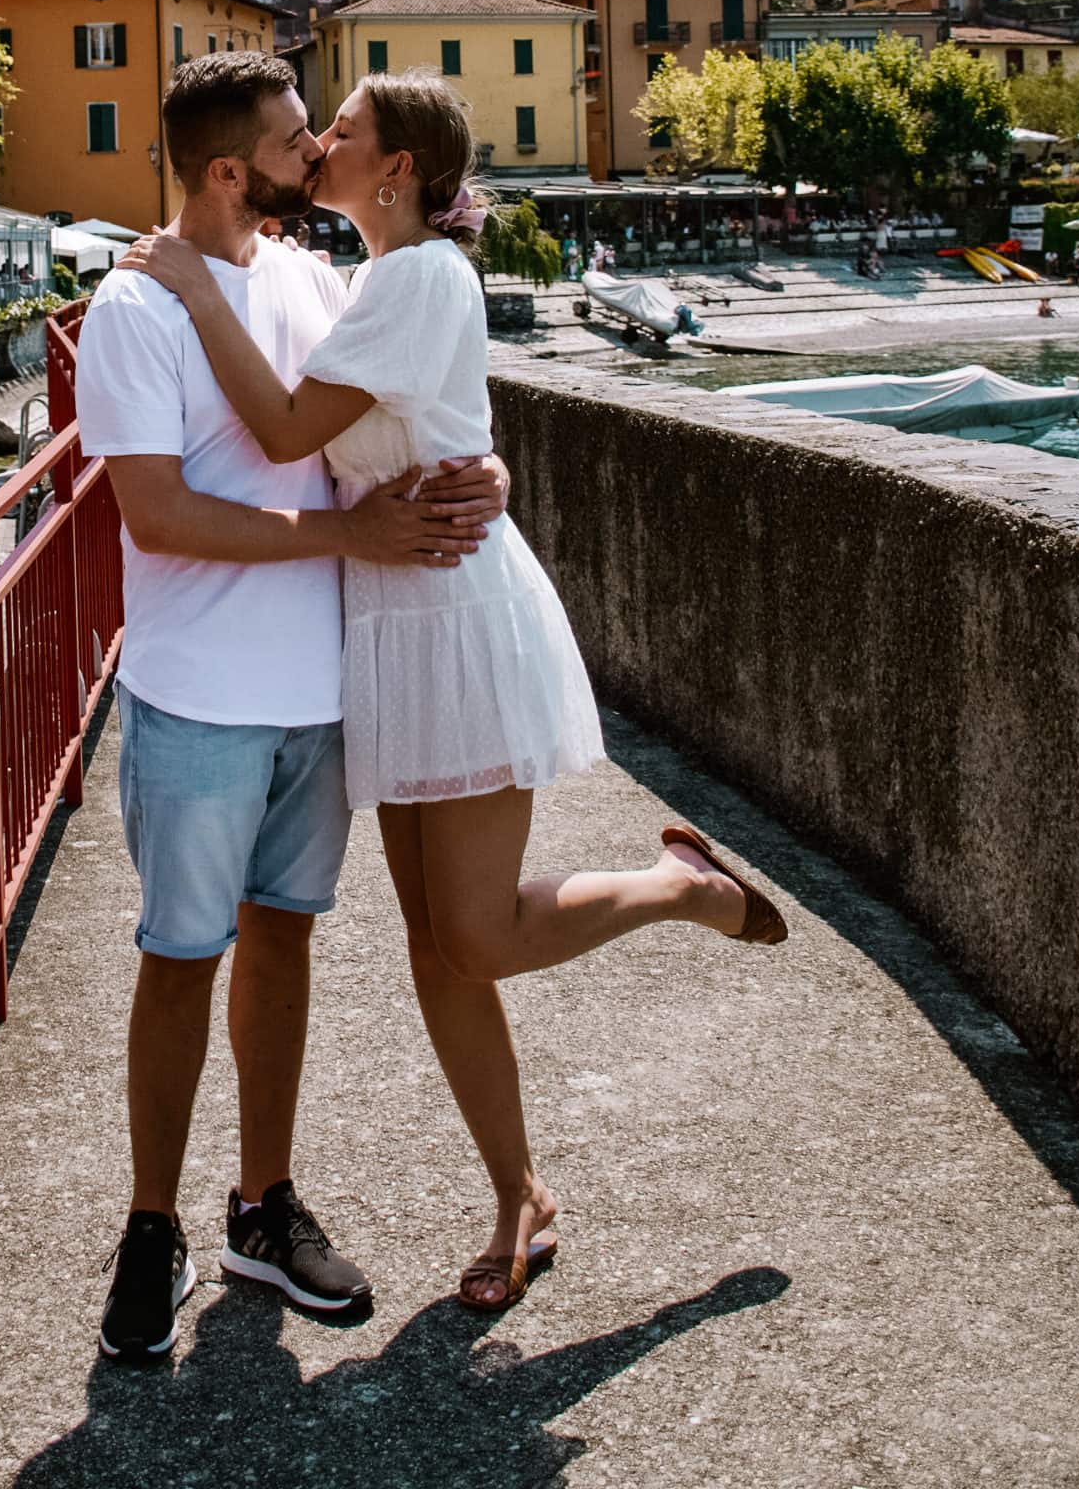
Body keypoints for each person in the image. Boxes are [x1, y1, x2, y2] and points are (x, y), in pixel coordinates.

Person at [123, 69, 787, 1317]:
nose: (320, 140)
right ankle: (517, 1196)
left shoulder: (420, 273)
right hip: (391, 623)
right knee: (438, 953)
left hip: (456, 623)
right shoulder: (362, 279)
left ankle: (679, 887)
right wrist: (483, 460)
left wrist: (190, 283)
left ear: (399, 170)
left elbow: (280, 432)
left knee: (473, 934)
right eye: (311, 128)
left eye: (347, 130)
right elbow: (424, 425)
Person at [75, 53, 513, 1363]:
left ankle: (259, 1211)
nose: (311, 156)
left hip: (319, 696)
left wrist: (481, 471)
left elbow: (396, 417)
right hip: (198, 698)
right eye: (288, 142)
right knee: (179, 958)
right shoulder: (134, 309)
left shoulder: (315, 279)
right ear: (230, 171)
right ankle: (150, 1228)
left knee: (282, 948)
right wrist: (345, 541)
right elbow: (155, 515)